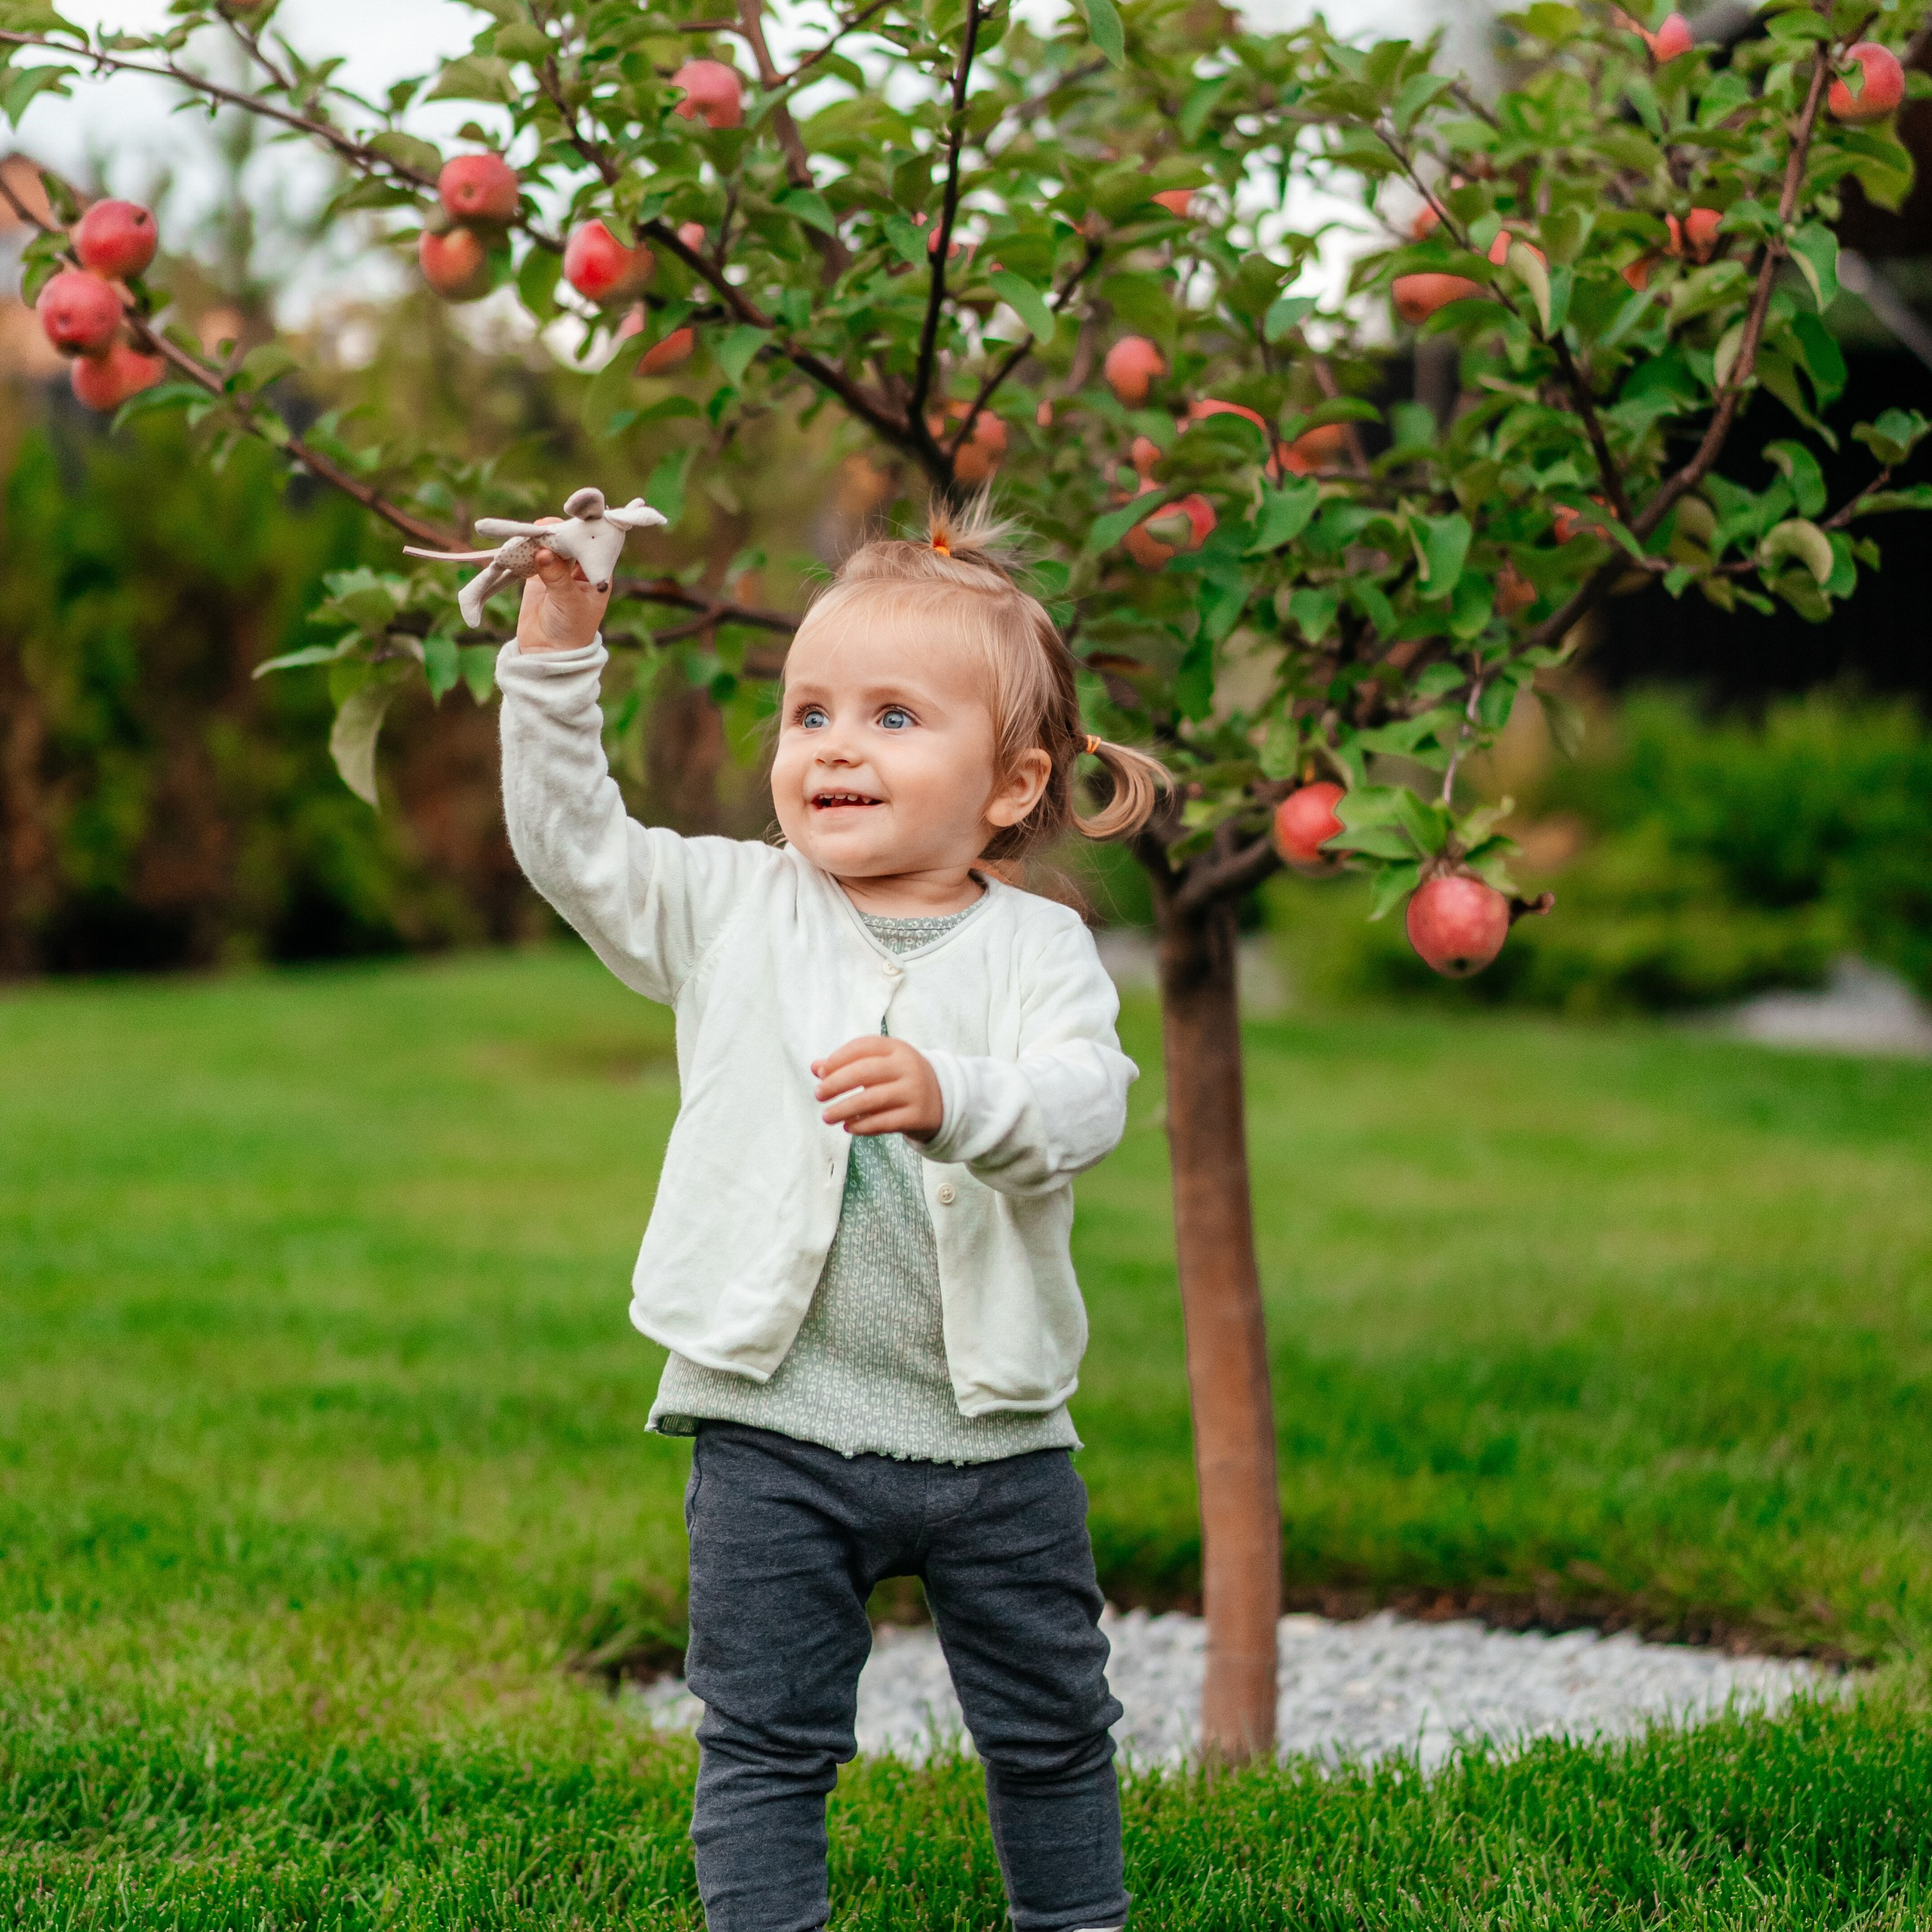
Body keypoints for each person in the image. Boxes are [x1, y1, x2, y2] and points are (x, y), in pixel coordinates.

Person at [496, 497, 1168, 1932]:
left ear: (1009, 782)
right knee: (764, 1742)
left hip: (994, 1441)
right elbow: (573, 845)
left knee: (1053, 1731)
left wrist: (955, 1095)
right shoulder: (731, 907)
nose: (834, 745)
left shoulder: (1040, 949)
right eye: (810, 713)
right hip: (774, 1431)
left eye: (891, 717)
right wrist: (556, 647)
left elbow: (1086, 1099)